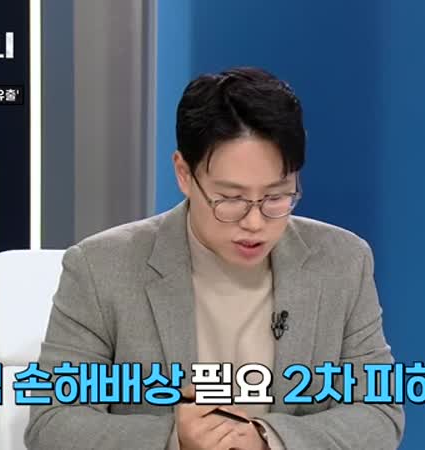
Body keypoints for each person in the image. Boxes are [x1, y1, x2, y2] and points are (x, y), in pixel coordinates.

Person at [24, 67, 404, 450]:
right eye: (231, 199)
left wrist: (268, 439)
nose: (254, 222)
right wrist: (175, 439)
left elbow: (379, 412)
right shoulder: (100, 268)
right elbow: (52, 422)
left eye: (276, 197)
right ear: (184, 174)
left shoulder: (342, 262)